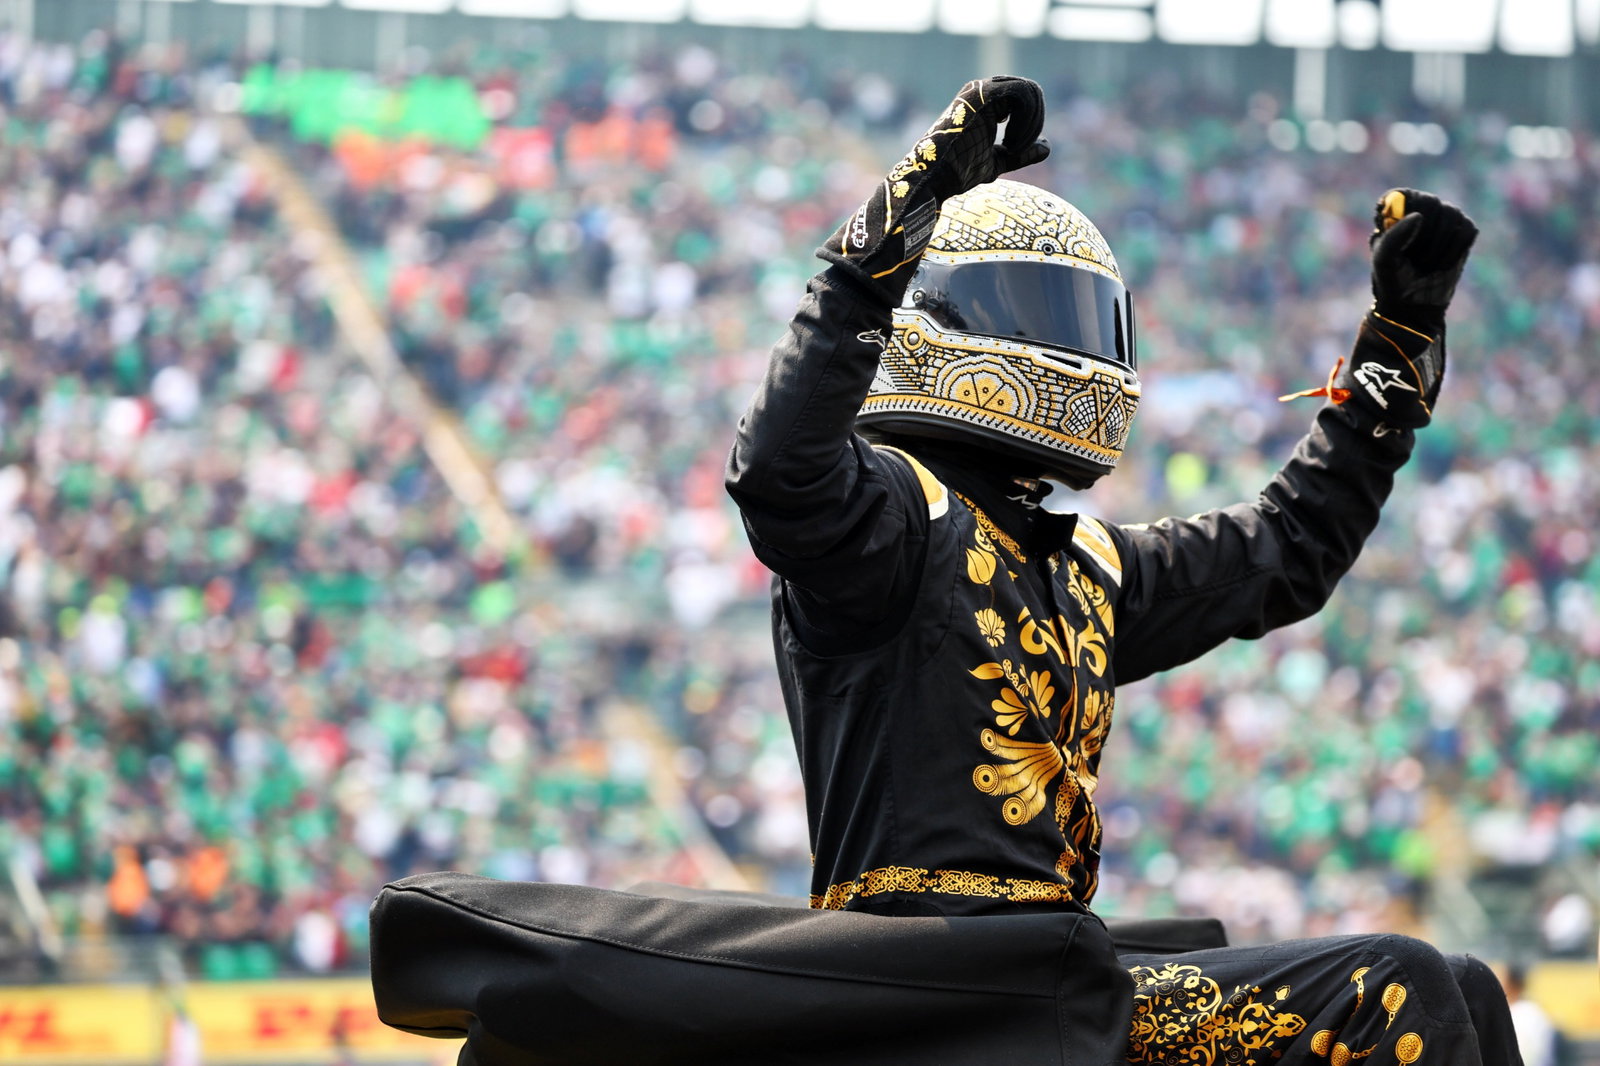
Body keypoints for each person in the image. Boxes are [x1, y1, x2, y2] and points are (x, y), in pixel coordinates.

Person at [724, 75, 1522, 1065]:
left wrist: (1392, 351)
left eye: (1079, 310)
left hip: (1051, 981)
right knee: (1390, 984)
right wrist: (909, 204)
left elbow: (1284, 553)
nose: (1072, 339)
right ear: (940, 321)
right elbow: (774, 469)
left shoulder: (1083, 560)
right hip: (927, 991)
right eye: (1031, 304)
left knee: (1466, 989)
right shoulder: (886, 515)